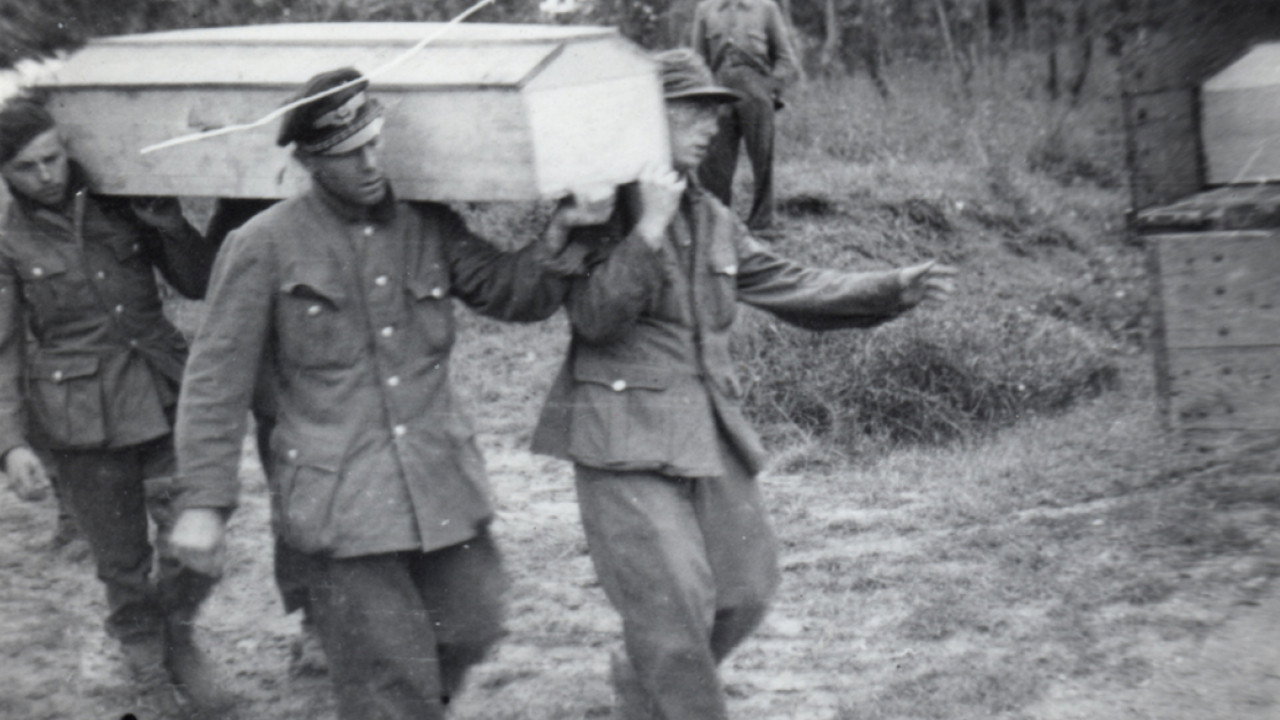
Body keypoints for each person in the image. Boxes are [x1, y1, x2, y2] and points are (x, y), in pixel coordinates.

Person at [165, 67, 612, 720]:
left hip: (440, 483)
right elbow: (214, 382)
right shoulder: (262, 243)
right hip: (342, 502)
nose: (372, 162)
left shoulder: (426, 226)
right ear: (312, 159)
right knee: (388, 676)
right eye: (350, 153)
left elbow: (511, 293)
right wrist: (205, 501)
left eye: (376, 142)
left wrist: (559, 236)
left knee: (473, 625)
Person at [530, 48, 957, 720]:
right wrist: (647, 228)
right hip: (624, 441)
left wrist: (888, 288)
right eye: (691, 111)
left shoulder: (716, 220)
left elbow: (794, 285)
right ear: (644, 121)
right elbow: (592, 315)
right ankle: (670, 688)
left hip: (709, 433)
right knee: (676, 610)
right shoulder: (597, 211)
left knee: (746, 590)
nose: (710, 126)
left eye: (714, 114)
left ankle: (643, 688)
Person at [0, 96, 225, 713]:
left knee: (198, 541)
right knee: (122, 565)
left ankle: (177, 637)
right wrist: (13, 443)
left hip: (163, 391)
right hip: (79, 421)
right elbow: (4, 348)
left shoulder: (123, 200)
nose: (47, 176)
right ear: (4, 173)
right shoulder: (6, 239)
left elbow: (200, 282)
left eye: (53, 158)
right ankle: (147, 669)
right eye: (27, 168)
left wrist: (171, 227)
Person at [691, 0, 803, 235]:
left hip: (756, 92)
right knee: (715, 162)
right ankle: (717, 222)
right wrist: (704, 95)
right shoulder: (706, 9)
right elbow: (696, 61)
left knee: (762, 158)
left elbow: (786, 60)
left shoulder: (766, 8)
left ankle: (762, 223)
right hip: (718, 93)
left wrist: (768, 87)